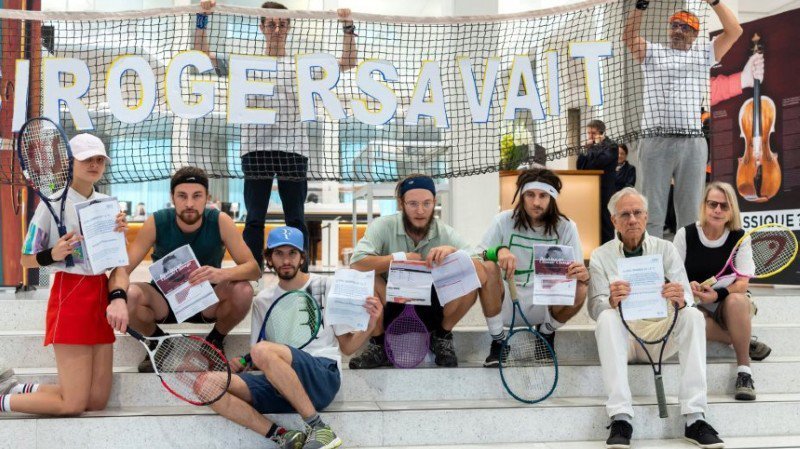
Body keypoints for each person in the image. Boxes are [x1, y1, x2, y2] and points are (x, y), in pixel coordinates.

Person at [196, 0, 357, 271]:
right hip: (255, 150)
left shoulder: (303, 66)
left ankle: (300, 273)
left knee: (295, 217)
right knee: (254, 218)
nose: (277, 28)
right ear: (262, 27)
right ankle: (251, 273)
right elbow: (201, 55)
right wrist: (203, 18)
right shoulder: (243, 64)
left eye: (282, 23)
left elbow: (349, 62)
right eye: (271, 23)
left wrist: (348, 27)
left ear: (289, 27)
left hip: (293, 150)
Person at [211, 226, 381, 449]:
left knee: (262, 350)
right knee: (207, 384)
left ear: (302, 257)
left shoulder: (325, 286)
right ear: (269, 258)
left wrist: (370, 326)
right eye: (279, 253)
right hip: (281, 384)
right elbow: (257, 356)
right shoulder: (262, 300)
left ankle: (319, 429)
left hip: (321, 376)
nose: (286, 260)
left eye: (292, 253)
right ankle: (284, 436)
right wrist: (242, 362)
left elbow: (348, 348)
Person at [1, 134, 128, 416]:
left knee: (96, 401)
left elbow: (119, 264)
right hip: (69, 295)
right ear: (70, 163)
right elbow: (25, 259)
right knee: (72, 404)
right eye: (87, 159)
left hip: (100, 294)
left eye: (99, 160)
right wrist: (53, 255)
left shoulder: (109, 205)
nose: (94, 164)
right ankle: (3, 401)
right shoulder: (51, 204)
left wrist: (118, 294)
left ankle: (21, 389)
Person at [588, 187, 724, 449]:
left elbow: (686, 294)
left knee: (693, 316)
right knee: (606, 318)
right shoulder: (600, 255)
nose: (632, 219)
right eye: (624, 214)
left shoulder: (666, 249)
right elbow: (594, 308)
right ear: (614, 220)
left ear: (647, 216)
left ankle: (695, 417)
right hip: (626, 339)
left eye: (638, 212)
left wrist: (680, 296)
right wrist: (610, 300)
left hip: (662, 336)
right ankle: (621, 417)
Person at [108, 166, 261, 373]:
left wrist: (221, 274)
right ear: (172, 197)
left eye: (197, 196)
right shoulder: (157, 221)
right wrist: (117, 299)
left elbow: (253, 269)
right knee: (131, 294)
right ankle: (159, 343)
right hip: (165, 303)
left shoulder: (220, 220)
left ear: (207, 197)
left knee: (243, 290)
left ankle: (214, 342)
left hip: (207, 301)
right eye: (182, 196)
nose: (189, 203)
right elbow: (122, 269)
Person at [623, 0, 742, 237]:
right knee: (653, 211)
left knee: (690, 214)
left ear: (696, 34)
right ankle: (652, 270)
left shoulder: (704, 54)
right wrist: (639, 7)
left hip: (692, 142)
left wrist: (715, 2)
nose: (678, 30)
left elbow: (735, 31)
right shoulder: (653, 52)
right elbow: (629, 37)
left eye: (685, 27)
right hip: (656, 140)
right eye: (674, 25)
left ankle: (687, 268)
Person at [348, 174, 489, 369]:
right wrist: (399, 259)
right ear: (401, 204)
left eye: (426, 203)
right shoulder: (382, 226)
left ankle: (441, 336)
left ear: (434, 202)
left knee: (470, 279)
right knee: (365, 276)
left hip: (432, 308)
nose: (420, 210)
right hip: (390, 305)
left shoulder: (445, 232)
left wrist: (453, 253)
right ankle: (378, 344)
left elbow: (481, 272)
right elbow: (356, 263)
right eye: (413, 204)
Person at [476, 168, 589, 367]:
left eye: (543, 195)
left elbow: (576, 271)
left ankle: (545, 335)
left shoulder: (567, 226)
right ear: (522, 196)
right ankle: (499, 342)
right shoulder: (503, 220)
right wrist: (499, 251)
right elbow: (476, 257)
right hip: (507, 299)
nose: (536, 202)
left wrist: (583, 274)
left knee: (580, 288)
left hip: (545, 301)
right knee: (488, 268)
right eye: (530, 195)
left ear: (552, 197)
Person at [673, 182, 771, 401]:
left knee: (737, 300)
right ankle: (742, 338)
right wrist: (688, 286)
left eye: (724, 206)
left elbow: (742, 283)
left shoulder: (740, 237)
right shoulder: (685, 234)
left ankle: (744, 372)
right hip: (695, 305)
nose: (717, 210)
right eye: (713, 204)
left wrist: (717, 295)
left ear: (731, 211)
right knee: (690, 319)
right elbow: (674, 275)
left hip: (728, 305)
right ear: (704, 206)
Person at [577, 119, 619, 243]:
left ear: (601, 133)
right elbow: (580, 166)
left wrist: (594, 148)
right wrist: (586, 150)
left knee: (605, 222)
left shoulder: (611, 146)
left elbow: (598, 163)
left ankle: (607, 246)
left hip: (605, 190)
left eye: (593, 133)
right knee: (591, 220)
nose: (590, 136)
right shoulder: (589, 147)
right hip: (590, 189)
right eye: (588, 133)